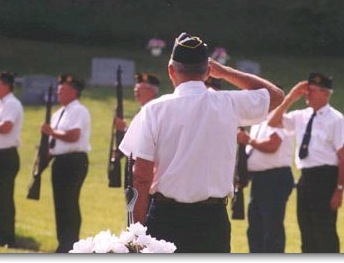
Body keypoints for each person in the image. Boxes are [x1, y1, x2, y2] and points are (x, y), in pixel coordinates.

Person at [119, 32, 284, 253]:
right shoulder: (228, 104)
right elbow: (275, 96)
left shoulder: (153, 111)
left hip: (165, 217)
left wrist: (135, 234)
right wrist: (224, 72)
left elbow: (140, 177)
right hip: (212, 220)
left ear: (171, 70)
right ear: (207, 71)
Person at [267, 72, 344, 253]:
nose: (307, 94)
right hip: (306, 178)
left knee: (324, 230)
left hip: (326, 177)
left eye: (312, 91)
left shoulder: (335, 119)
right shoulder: (301, 116)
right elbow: (273, 122)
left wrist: (339, 189)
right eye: (307, 91)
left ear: (326, 93)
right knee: (306, 228)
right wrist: (290, 97)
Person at [41, 74, 91, 253]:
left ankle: (71, 243)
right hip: (60, 160)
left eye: (63, 90)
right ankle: (63, 243)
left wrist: (51, 131)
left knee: (69, 201)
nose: (58, 93)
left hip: (74, 160)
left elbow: (74, 135)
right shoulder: (58, 113)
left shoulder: (79, 110)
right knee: (60, 203)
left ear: (74, 92)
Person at [237, 121, 295, 253]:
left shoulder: (279, 117)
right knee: (255, 229)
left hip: (274, 178)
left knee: (271, 229)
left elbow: (273, 144)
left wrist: (249, 140)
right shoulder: (259, 122)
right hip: (259, 178)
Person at [0, 71, 24, 248]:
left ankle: (8, 236)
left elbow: (6, 127)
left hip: (5, 156)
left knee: (4, 196)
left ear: (6, 85)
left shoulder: (12, 103)